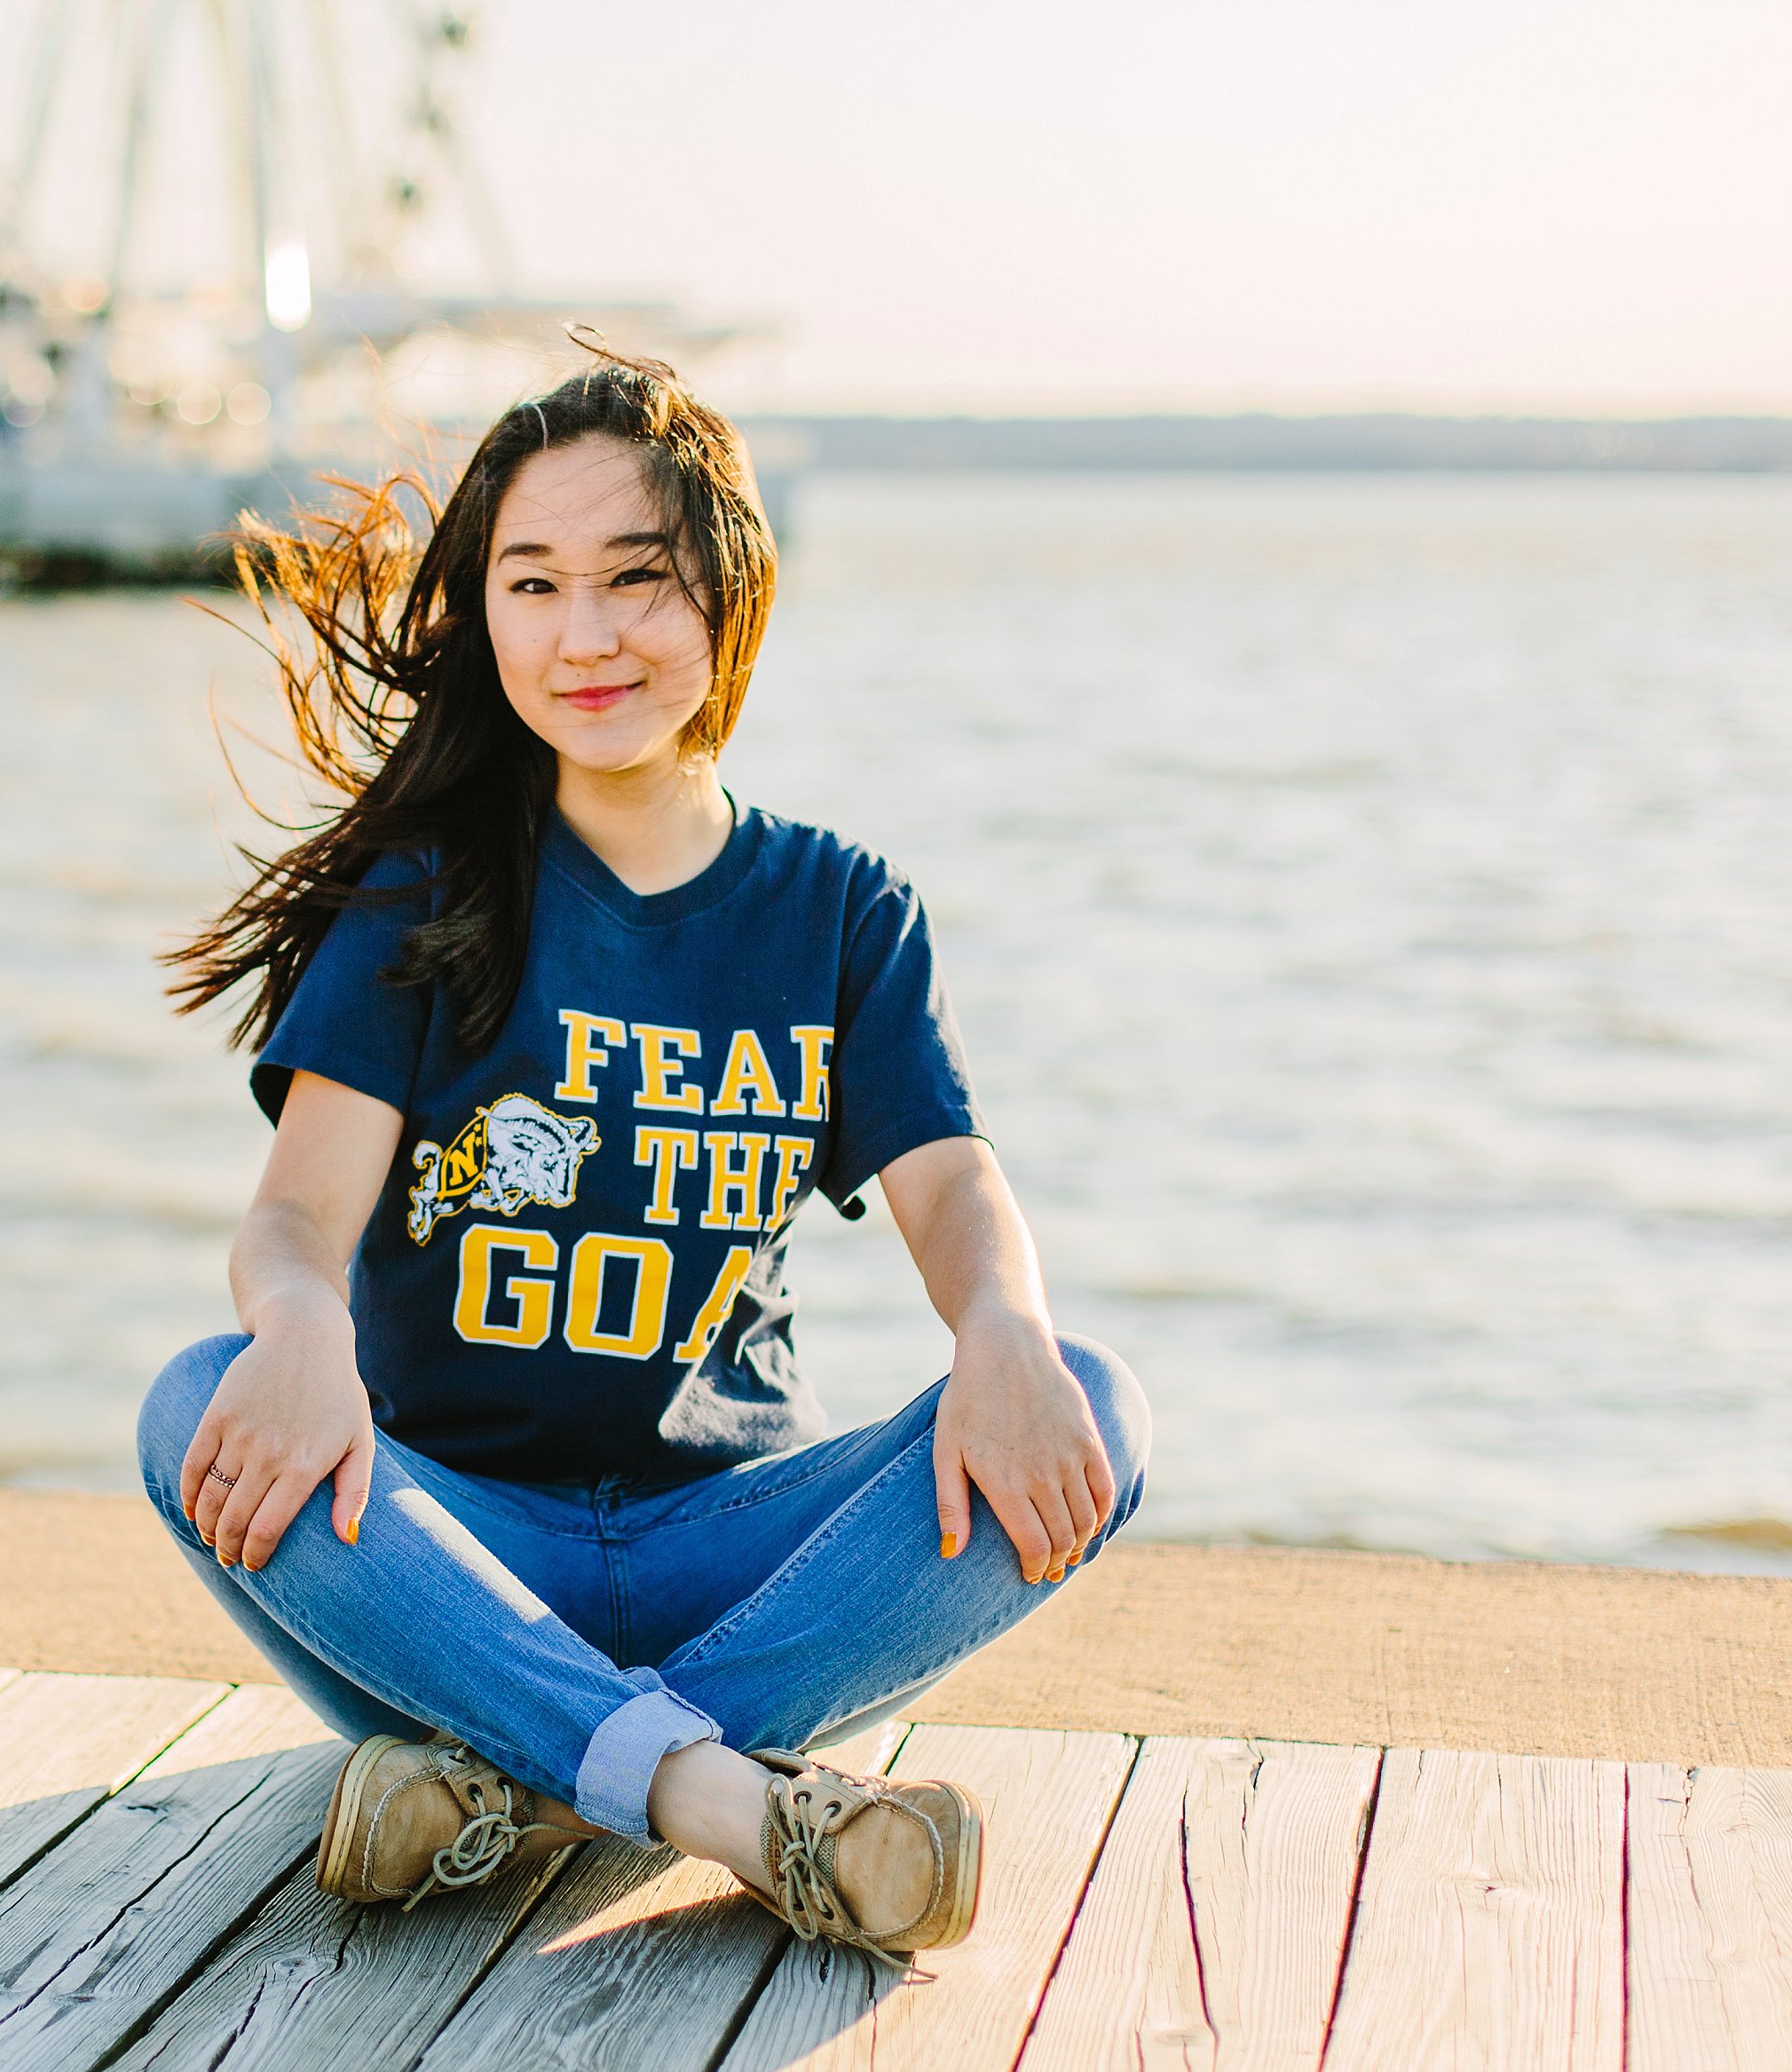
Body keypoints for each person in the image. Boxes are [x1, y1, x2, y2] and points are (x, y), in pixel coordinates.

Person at [141, 345, 1149, 1957]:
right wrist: (306, 1327)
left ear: (728, 596)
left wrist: (1003, 1329)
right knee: (197, 1399)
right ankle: (728, 1803)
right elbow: (292, 1224)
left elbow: (949, 1182)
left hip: (740, 1560)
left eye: (636, 579)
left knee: (1092, 1403)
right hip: (455, 1557)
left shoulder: (835, 909)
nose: (585, 634)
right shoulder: (424, 892)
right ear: (486, 614)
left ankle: (516, 1787)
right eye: (532, 584)